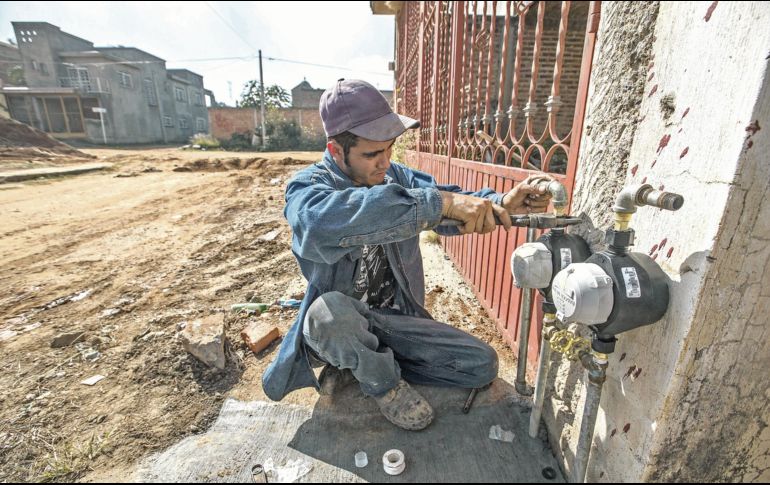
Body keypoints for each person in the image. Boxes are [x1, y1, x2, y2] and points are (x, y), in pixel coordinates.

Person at [262, 79, 553, 431]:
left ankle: (371, 361)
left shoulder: (395, 175)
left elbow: (448, 200)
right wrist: (437, 204)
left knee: (481, 365)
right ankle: (382, 383)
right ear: (336, 150)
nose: (385, 162)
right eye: (372, 154)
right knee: (327, 315)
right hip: (342, 325)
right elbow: (316, 223)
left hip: (395, 320)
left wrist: (499, 202)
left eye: (389, 149)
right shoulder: (308, 186)